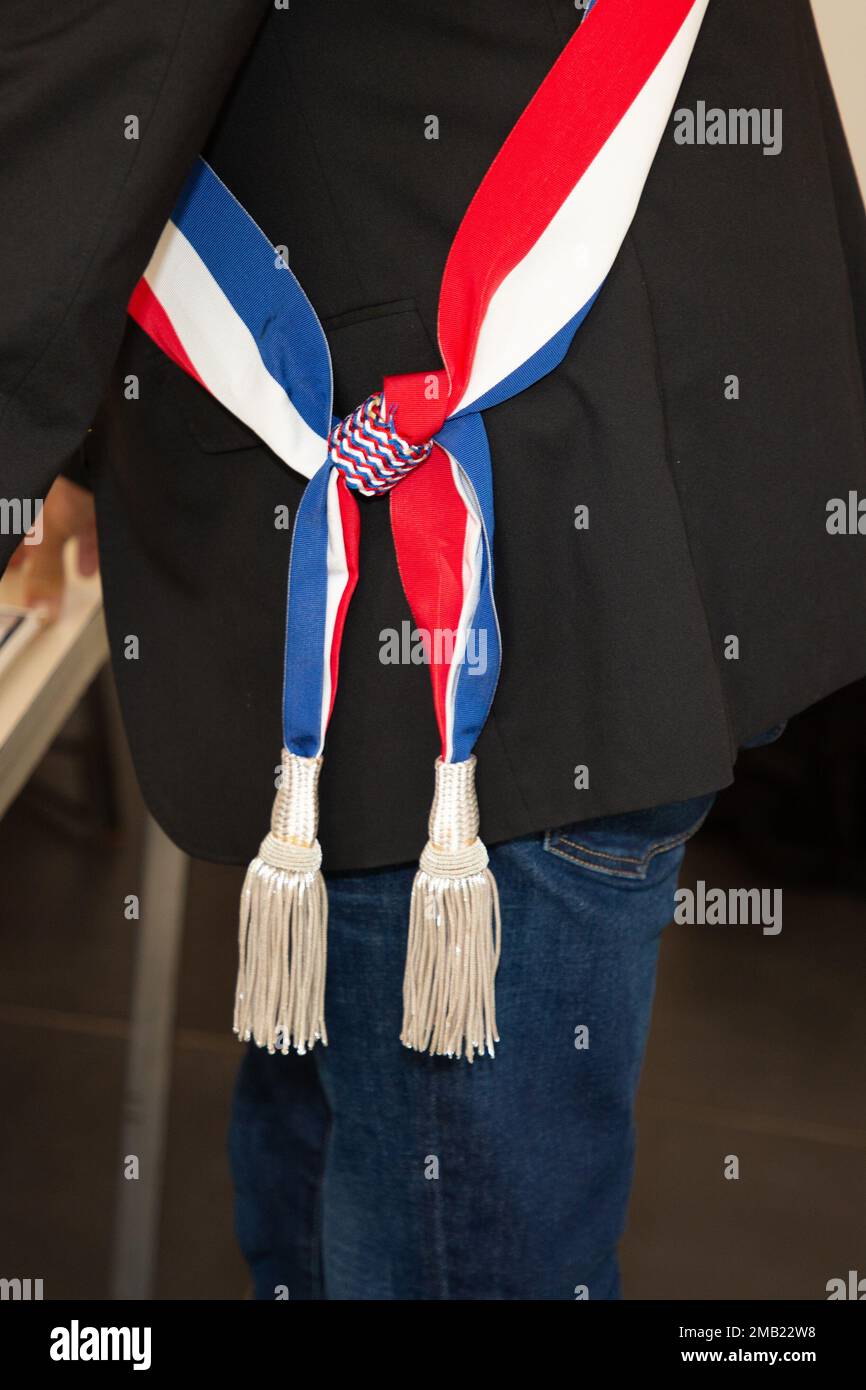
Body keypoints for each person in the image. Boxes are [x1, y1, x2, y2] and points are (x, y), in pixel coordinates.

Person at [2, 0, 865, 1300]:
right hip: (563, 464)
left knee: (441, 1254)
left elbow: (92, 50)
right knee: (340, 1185)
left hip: (488, 547)